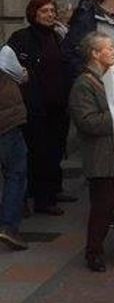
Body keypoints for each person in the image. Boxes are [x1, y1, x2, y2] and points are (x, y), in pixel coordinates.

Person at [7, 0, 71, 216]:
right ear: (34, 14)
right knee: (36, 153)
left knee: (55, 151)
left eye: (52, 11)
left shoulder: (58, 37)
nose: (50, 15)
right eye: (44, 11)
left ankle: (53, 190)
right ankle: (37, 199)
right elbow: (11, 67)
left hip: (57, 105)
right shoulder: (21, 38)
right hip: (34, 107)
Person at [68, 32, 114, 272]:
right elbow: (87, 122)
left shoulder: (111, 77)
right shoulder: (84, 84)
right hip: (101, 157)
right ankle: (94, 252)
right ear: (95, 54)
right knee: (102, 207)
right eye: (109, 48)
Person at [0, 45, 29, 251]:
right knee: (15, 174)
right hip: (6, 124)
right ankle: (8, 226)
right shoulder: (4, 51)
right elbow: (21, 76)